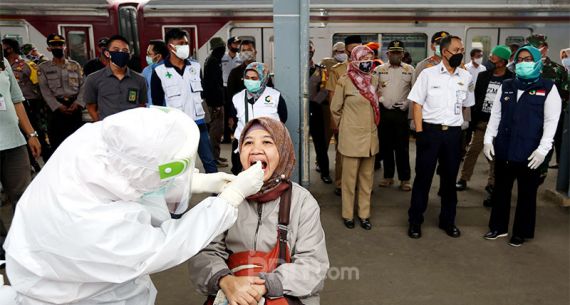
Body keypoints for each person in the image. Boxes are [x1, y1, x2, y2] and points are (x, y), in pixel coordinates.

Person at [3, 107, 265, 304]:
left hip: (64, 269)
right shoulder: (90, 223)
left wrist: (194, 182)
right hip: (77, 295)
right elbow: (166, 245)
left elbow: (134, 175)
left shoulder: (99, 141)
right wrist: (229, 201)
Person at [188, 117, 329, 305]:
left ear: (283, 150)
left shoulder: (302, 202)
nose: (255, 149)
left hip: (285, 295)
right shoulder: (227, 197)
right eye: (248, 142)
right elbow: (205, 253)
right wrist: (226, 281)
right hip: (232, 293)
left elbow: (313, 266)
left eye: (267, 142)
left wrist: (265, 285)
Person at [483, 45, 561, 247]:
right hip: (504, 148)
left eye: (528, 59)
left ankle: (521, 232)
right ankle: (498, 227)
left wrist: (543, 150)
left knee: (527, 194)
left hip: (530, 151)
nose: (523, 63)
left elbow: (552, 122)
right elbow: (496, 114)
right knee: (501, 190)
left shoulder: (548, 88)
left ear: (537, 62)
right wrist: (488, 139)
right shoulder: (507, 84)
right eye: (520, 59)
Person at [407, 35, 475, 239]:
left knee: (449, 180)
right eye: (456, 50)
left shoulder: (466, 76)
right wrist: (420, 133)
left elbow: (466, 104)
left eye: (462, 49)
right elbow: (417, 104)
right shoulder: (428, 74)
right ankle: (415, 221)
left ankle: (448, 221)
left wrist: (460, 129)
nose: (460, 53)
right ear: (444, 52)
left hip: (453, 135)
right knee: (423, 179)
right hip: (430, 133)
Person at [151, 28, 218, 174]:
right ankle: (175, 194)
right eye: (181, 43)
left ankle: (219, 194)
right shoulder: (159, 71)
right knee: (176, 161)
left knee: (209, 160)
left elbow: (202, 94)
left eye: (186, 43)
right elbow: (156, 104)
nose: (185, 47)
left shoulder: (195, 67)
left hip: (199, 123)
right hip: (176, 126)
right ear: (170, 46)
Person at [331, 45, 379, 230]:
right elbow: (335, 109)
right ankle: (348, 215)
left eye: (370, 57)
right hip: (351, 137)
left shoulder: (373, 79)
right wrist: (345, 127)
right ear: (355, 59)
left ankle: (364, 215)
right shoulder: (345, 80)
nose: (367, 61)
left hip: (370, 138)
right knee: (349, 181)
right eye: (363, 57)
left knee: (367, 180)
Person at [456, 45, 513, 198]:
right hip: (482, 123)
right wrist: (472, 120)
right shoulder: (483, 76)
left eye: (493, 58)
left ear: (502, 61)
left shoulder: (512, 79)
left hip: (500, 125)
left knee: (495, 156)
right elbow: (476, 98)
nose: (490, 60)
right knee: (472, 151)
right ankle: (463, 179)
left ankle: (492, 183)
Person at [0, 52, 41, 262]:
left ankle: (21, 243)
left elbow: (16, 100)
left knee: (23, 195)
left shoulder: (2, 61)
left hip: (13, 140)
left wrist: (31, 134)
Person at [229, 62, 287, 175]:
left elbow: (283, 118)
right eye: (247, 78)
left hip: (268, 144)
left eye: (254, 78)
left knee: (267, 175)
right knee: (240, 175)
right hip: (243, 144)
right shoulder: (237, 98)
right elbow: (234, 121)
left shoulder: (275, 96)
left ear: (263, 78)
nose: (250, 81)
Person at [2, 38, 52, 165]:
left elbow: (39, 85)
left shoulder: (28, 65)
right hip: (12, 105)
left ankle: (47, 161)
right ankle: (32, 163)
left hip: (30, 104)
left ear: (10, 48)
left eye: (5, 46)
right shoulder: (6, 64)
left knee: (37, 133)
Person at [374, 40, 414, 191]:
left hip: (401, 113)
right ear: (388, 54)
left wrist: (407, 103)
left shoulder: (410, 70)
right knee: (386, 146)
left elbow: (415, 90)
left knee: (402, 147)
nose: (396, 55)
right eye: (393, 52)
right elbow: (373, 89)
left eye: (399, 52)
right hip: (384, 112)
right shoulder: (379, 69)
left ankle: (405, 179)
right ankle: (388, 176)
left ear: (403, 54)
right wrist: (380, 99)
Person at [526, 34, 569, 171]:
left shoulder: (558, 70)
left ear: (545, 49)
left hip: (552, 117)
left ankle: (543, 173)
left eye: (535, 47)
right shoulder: (523, 68)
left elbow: (566, 94)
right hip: (529, 116)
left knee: (548, 147)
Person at [326, 35, 362, 196]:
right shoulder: (338, 70)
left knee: (363, 153)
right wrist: (335, 121)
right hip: (345, 118)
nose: (354, 52)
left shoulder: (369, 69)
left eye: (358, 48)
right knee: (342, 152)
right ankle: (341, 183)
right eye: (351, 49)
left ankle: (360, 183)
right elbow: (332, 96)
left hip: (363, 119)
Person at [38, 33, 85, 151]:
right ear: (49, 48)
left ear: (65, 47)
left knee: (77, 142)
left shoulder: (75, 65)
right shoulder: (44, 68)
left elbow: (83, 86)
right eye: (54, 45)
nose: (58, 47)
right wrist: (57, 106)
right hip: (56, 111)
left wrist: (78, 103)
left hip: (75, 107)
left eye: (60, 44)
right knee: (57, 144)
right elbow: (45, 90)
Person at [83, 35, 147, 122]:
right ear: (107, 53)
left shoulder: (140, 79)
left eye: (125, 51)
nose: (121, 53)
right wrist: (100, 124)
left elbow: (141, 104)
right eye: (116, 50)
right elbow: (90, 106)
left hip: (132, 129)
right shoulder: (93, 79)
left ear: (129, 54)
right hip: (107, 130)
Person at [203, 37, 229, 168]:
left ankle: (216, 156)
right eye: (222, 48)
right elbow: (213, 85)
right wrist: (218, 104)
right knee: (215, 132)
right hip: (215, 103)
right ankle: (214, 158)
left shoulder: (212, 60)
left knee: (216, 132)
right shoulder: (213, 62)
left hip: (214, 102)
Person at [308, 41, 332, 184]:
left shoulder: (320, 70)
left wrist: (314, 102)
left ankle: (324, 172)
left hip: (315, 108)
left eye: (309, 49)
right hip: (298, 109)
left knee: (320, 142)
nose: (307, 52)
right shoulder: (295, 69)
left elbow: (325, 89)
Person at [221, 36, 243, 143]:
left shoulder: (241, 58)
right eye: (235, 44)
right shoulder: (223, 58)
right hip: (225, 88)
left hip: (237, 88)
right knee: (226, 112)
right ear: (229, 45)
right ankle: (226, 137)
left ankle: (237, 134)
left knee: (237, 111)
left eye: (238, 44)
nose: (237, 46)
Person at [142, 39, 168, 106]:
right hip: (152, 111)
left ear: (158, 56)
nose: (147, 57)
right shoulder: (147, 70)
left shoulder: (170, 69)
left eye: (149, 54)